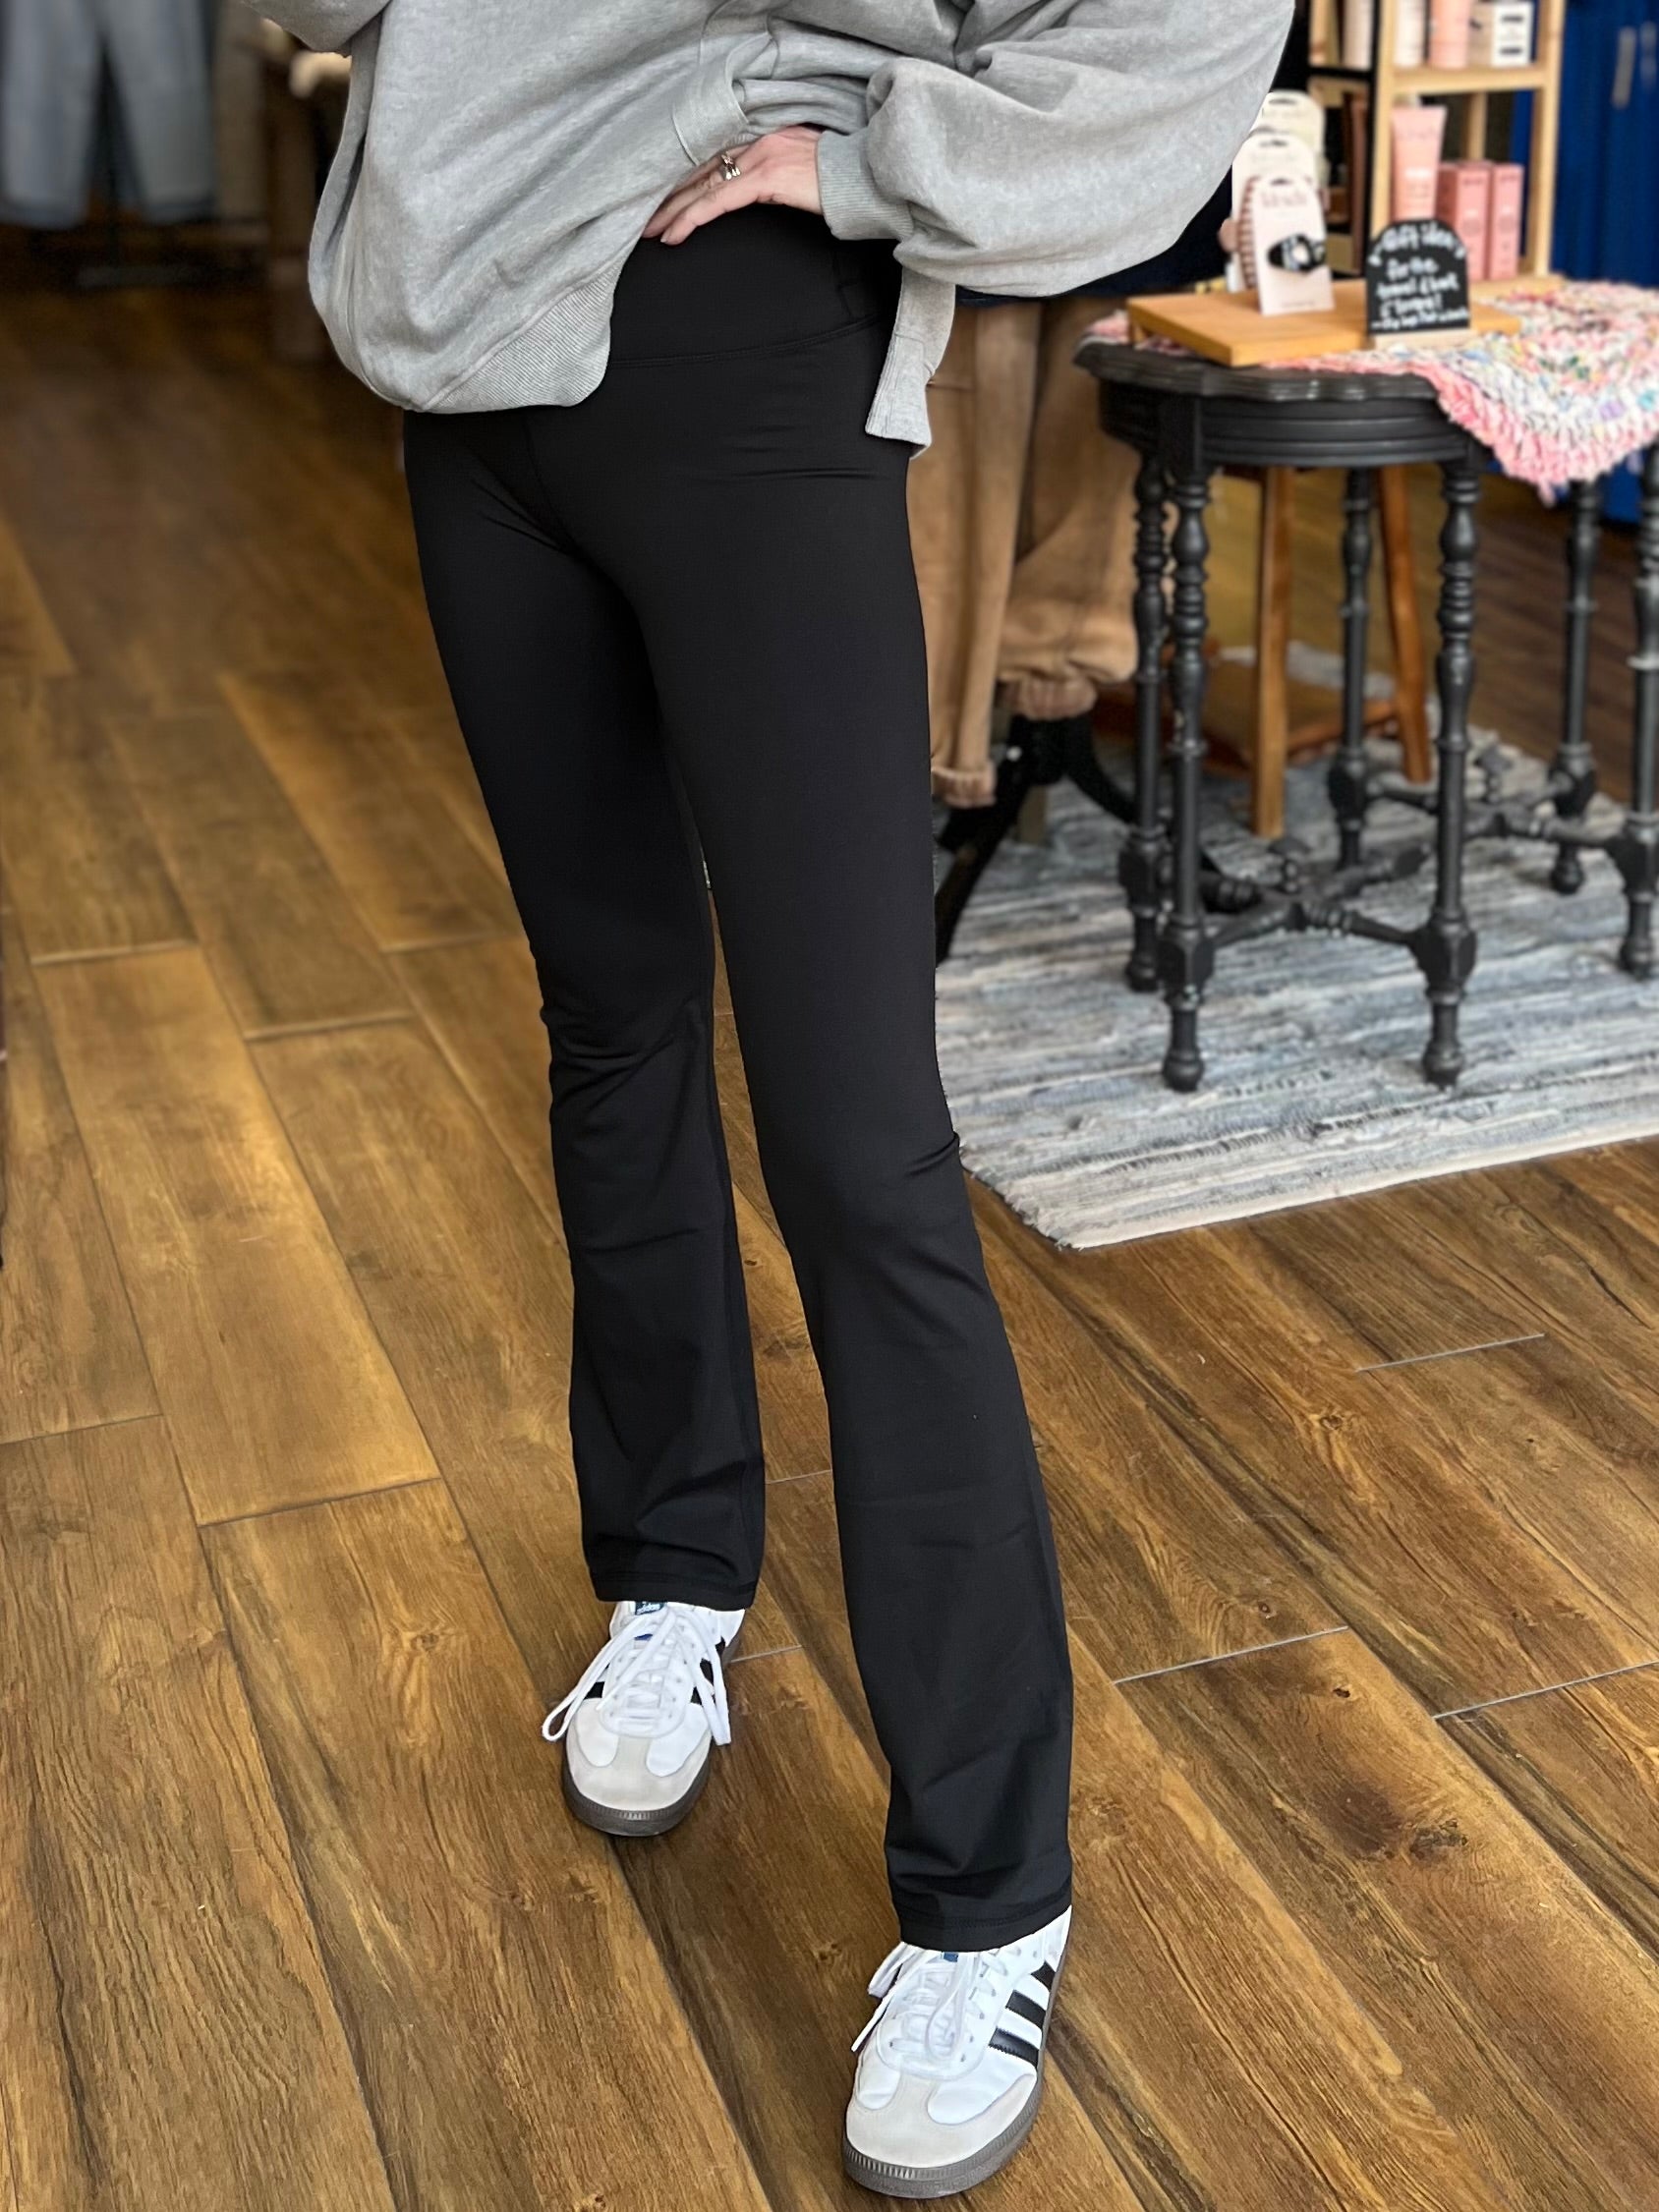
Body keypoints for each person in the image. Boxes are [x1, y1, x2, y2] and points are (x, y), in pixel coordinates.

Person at [256, 2, 1288, 2193]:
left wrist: (881, 159)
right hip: (468, 347)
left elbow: (1186, 25)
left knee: (856, 1140)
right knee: (612, 1024)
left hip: (747, 337)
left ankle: (990, 1896)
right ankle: (673, 1576)